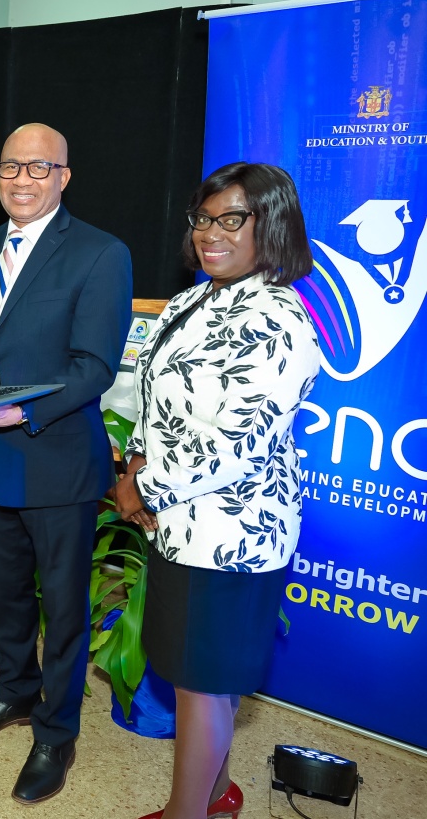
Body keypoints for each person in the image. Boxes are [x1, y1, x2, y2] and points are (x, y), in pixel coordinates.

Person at [116, 162, 319, 819]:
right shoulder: (192, 300)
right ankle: (220, 794)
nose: (211, 233)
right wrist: (135, 461)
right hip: (178, 522)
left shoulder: (281, 319)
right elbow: (150, 394)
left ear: (272, 223)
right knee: (197, 675)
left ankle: (187, 812)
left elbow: (237, 442)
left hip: (232, 533)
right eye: (204, 218)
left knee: (202, 684)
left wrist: (144, 486)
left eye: (232, 219)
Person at [0, 123, 133, 804]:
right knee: (3, 595)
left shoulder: (101, 253)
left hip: (57, 460)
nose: (22, 180)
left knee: (64, 607)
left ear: (64, 176)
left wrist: (20, 412)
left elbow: (94, 367)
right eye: (10, 167)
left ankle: (57, 733)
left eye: (38, 168)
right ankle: (16, 692)